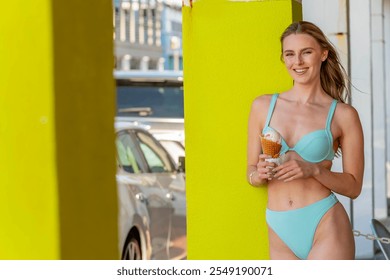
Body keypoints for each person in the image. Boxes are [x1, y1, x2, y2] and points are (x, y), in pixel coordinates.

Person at [247, 21, 364, 260]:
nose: (297, 62)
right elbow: (250, 172)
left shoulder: (343, 115)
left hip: (325, 223)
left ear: (323, 54)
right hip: (279, 228)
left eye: (306, 52)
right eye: (290, 54)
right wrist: (257, 174)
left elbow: (354, 188)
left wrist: (313, 170)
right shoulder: (262, 106)